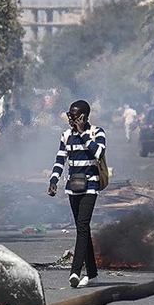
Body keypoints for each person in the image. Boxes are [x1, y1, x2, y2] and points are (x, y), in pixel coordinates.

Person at [47, 100, 106, 289]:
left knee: (82, 226)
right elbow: (60, 160)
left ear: (84, 117)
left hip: (90, 187)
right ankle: (93, 274)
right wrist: (53, 181)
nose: (70, 119)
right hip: (73, 187)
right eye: (69, 115)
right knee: (84, 228)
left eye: (74, 116)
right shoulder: (66, 136)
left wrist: (83, 134)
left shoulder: (97, 132)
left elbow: (98, 152)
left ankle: (75, 272)